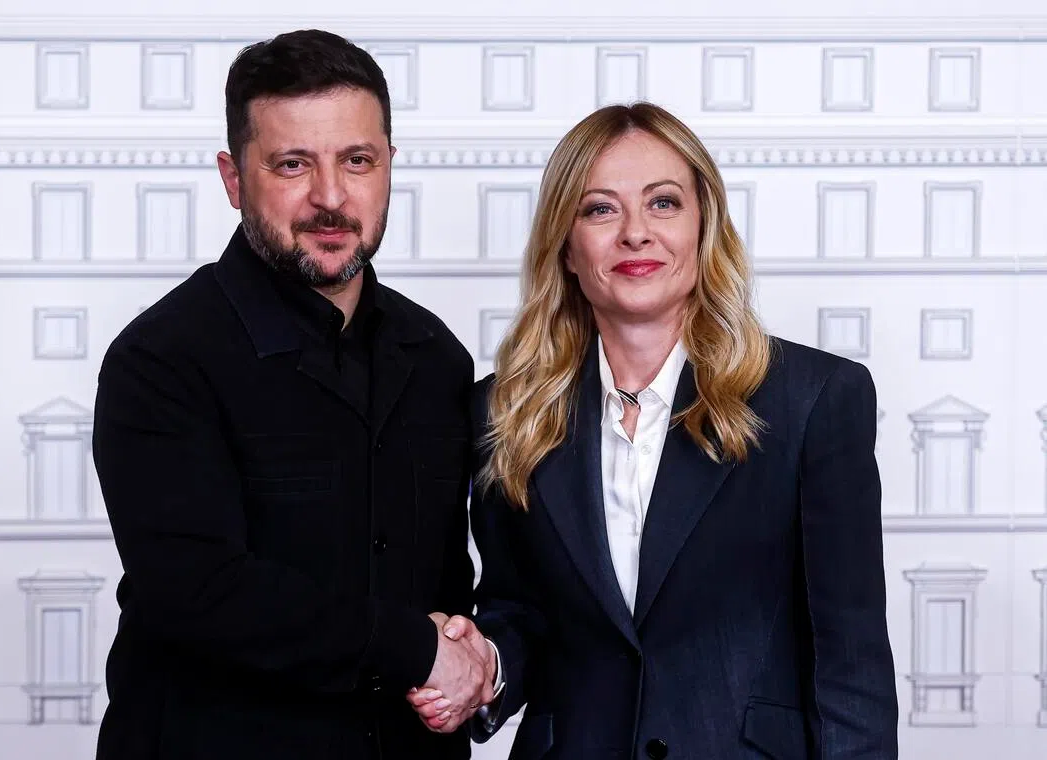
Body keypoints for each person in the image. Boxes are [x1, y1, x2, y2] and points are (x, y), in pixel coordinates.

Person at [410, 102, 899, 758]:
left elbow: (852, 661)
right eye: (600, 209)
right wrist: (488, 660)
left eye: (664, 203)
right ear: (567, 246)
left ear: (704, 227)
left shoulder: (814, 400)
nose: (635, 233)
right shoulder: (504, 413)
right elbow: (522, 611)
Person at [92, 29, 494, 760]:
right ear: (233, 178)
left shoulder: (436, 356)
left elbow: (445, 583)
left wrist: (465, 651)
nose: (331, 197)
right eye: (291, 164)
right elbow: (200, 591)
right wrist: (415, 647)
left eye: (357, 161)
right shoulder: (160, 360)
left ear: (389, 168)